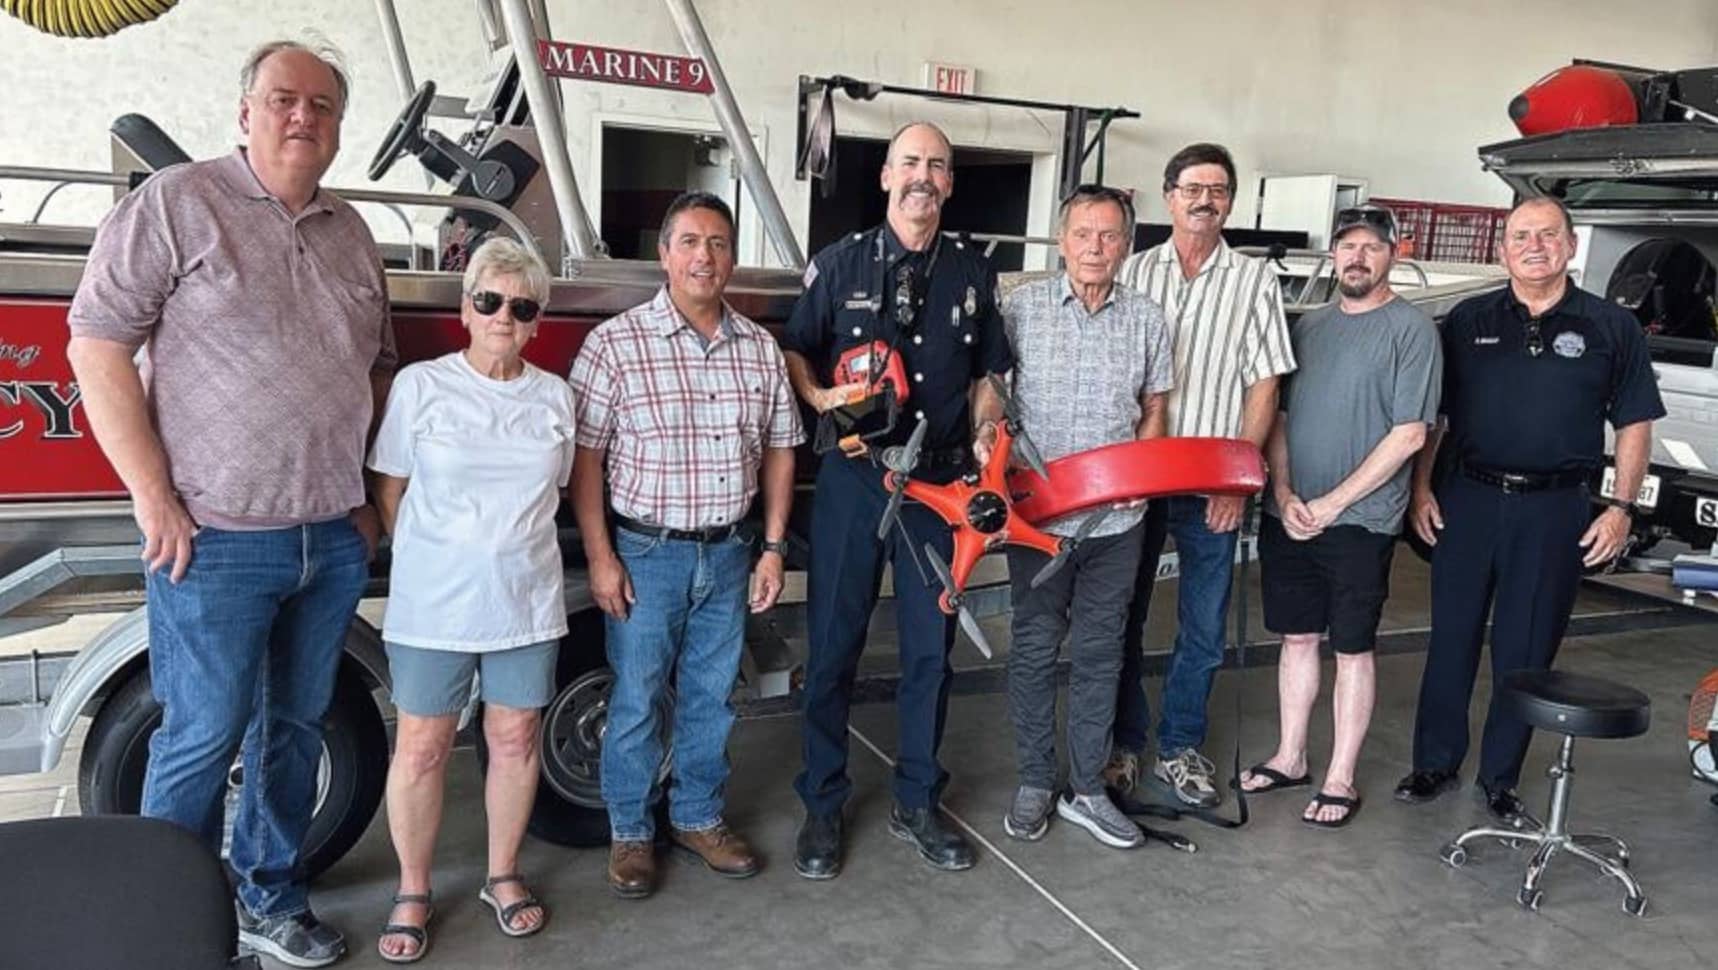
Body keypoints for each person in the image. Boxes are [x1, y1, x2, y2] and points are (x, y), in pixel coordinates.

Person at [65, 40, 394, 967]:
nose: (302, 116)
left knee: (295, 730)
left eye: (322, 105)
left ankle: (268, 899)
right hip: (214, 539)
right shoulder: (177, 203)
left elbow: (377, 366)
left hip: (330, 537)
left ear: (339, 127)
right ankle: (166, 928)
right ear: (245, 111)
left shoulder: (352, 231)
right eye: (283, 98)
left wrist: (367, 499)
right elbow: (96, 344)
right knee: (200, 738)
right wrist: (154, 497)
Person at [782, 121, 1012, 878]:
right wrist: (822, 398)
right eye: (910, 162)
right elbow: (797, 349)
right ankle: (822, 803)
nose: (922, 176)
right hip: (854, 481)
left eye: (936, 166)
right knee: (833, 647)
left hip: (938, 491)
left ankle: (917, 800)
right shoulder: (838, 263)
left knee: (928, 653)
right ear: (886, 176)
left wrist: (987, 428)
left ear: (949, 183)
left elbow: (989, 374)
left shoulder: (974, 274)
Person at [1396, 197, 1664, 819]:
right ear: (1502, 250)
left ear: (1570, 246)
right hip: (1468, 500)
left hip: (1555, 509)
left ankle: (1500, 777)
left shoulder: (1610, 327)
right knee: (1452, 638)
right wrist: (1420, 488)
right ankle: (1434, 762)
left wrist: (1621, 507)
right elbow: (1437, 417)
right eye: (1521, 236)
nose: (1534, 247)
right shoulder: (1468, 320)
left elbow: (1634, 423)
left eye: (1548, 235)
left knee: (1527, 648)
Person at [570, 191, 802, 899]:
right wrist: (601, 556)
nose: (706, 256)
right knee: (638, 698)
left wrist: (772, 547)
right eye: (691, 242)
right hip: (647, 554)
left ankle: (698, 818)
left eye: (719, 243)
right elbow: (585, 460)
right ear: (665, 255)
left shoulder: (758, 348)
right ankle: (631, 833)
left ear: (731, 258)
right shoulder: (615, 344)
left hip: (730, 552)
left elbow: (781, 450)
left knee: (711, 697)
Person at [367, 237, 569, 961]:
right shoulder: (421, 386)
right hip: (434, 606)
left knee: (515, 739)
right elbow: (388, 487)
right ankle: (413, 890)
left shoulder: (555, 397)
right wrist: (433, 557)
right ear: (465, 309)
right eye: (489, 300)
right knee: (421, 748)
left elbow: (556, 491)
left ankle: (502, 874)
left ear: (537, 321)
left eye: (521, 306)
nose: (503, 316)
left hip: (527, 600)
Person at [1109, 143, 1296, 807]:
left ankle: (1179, 747)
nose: (1204, 200)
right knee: (1121, 616)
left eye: (1217, 190)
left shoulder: (1253, 281)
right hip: (1138, 477)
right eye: (1192, 188)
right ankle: (1123, 743)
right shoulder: (1134, 272)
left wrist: (1235, 480)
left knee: (1204, 626)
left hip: (1211, 482)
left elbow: (1264, 384)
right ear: (1169, 197)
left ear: (1230, 202)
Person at [1241, 206, 1441, 828]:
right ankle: (1291, 756)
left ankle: (1340, 776)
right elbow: (1278, 415)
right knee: (1297, 637)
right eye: (1347, 246)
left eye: (1371, 247)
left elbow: (1410, 434)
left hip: (1362, 519)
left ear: (1392, 255)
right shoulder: (1310, 326)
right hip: (1294, 513)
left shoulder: (1413, 331)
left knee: (1352, 646)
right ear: (1333, 255)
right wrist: (1283, 493)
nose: (1357, 257)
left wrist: (1333, 503)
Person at [993, 185, 1172, 848]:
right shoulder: (1022, 309)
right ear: (1062, 240)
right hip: (1038, 518)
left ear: (1126, 244)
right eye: (1083, 234)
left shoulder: (1147, 318)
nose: (1095, 247)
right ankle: (1036, 780)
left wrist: (1141, 472)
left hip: (1116, 524)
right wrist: (989, 442)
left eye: (1109, 235)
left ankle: (1089, 790)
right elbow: (993, 393)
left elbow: (1154, 405)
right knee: (1035, 648)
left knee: (1101, 652)